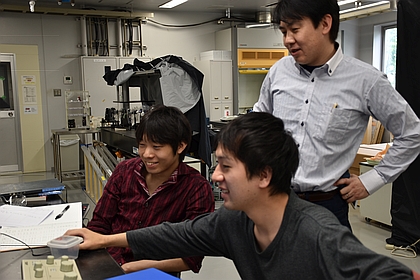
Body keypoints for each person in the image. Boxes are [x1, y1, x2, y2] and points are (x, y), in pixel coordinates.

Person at [67, 112, 420, 280]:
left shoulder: (318, 234)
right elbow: (177, 234)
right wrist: (104, 239)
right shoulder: (234, 222)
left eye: (225, 166)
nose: (215, 176)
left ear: (264, 175)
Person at [253, 0, 420, 228]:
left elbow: (412, 133)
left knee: (327, 265)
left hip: (328, 206)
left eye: (294, 29)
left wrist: (371, 181)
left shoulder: (366, 80)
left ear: (325, 23)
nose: (287, 40)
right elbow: (258, 124)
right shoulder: (278, 72)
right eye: (283, 32)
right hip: (275, 199)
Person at [86, 105, 214, 275]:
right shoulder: (125, 171)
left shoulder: (196, 188)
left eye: (157, 147)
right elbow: (99, 224)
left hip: (156, 273)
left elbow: (192, 257)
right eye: (142, 145)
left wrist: (139, 267)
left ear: (180, 146)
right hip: (109, 264)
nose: (146, 154)